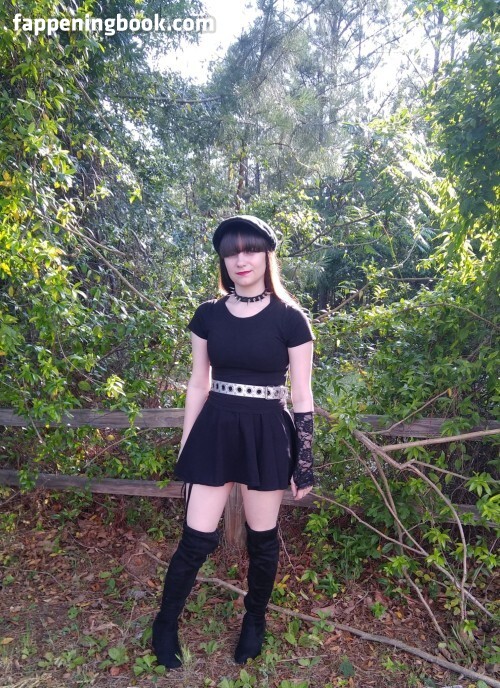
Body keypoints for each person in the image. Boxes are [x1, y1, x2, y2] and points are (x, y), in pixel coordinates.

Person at [152, 215, 315, 669]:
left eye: (250, 249)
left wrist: (305, 460)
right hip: (216, 431)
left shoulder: (291, 319)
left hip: (267, 434)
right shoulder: (208, 314)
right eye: (231, 252)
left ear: (267, 255)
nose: (241, 259)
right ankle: (165, 624)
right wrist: (187, 444)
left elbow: (302, 394)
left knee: (263, 541)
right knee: (195, 540)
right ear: (223, 261)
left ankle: (254, 621)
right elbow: (197, 384)